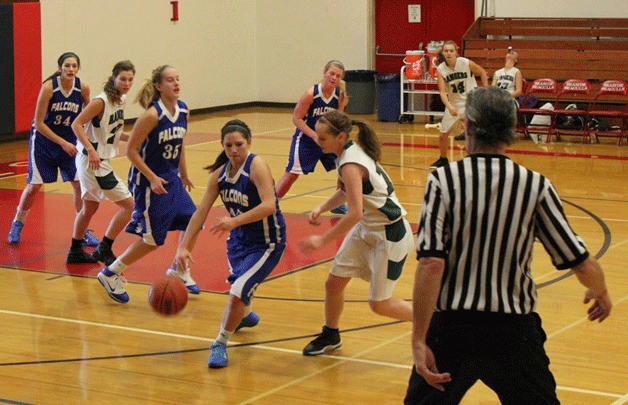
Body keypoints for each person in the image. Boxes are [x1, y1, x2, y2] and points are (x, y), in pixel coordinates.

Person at [404, 86, 612, 404]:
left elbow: (431, 262)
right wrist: (601, 292)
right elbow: (580, 261)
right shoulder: (535, 185)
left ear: (468, 126)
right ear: (511, 131)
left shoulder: (443, 181)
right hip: (513, 332)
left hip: (451, 331)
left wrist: (419, 338)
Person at [298, 110, 414, 356]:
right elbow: (346, 191)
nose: (318, 143)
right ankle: (331, 334)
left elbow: (354, 213)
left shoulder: (351, 162)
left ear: (340, 137)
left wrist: (321, 240)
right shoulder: (345, 154)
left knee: (380, 305)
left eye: (322, 139)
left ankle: (433, 324)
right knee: (334, 283)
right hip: (367, 230)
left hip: (389, 234)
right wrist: (321, 206)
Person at [175, 119, 286, 369]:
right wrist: (183, 247)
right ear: (222, 145)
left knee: (237, 291)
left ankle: (219, 342)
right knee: (240, 291)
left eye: (239, 144)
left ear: (249, 142)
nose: (234, 150)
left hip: (267, 242)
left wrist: (234, 221)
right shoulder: (220, 174)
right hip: (239, 242)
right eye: (228, 145)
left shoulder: (256, 165)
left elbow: (269, 205)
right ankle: (245, 316)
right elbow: (200, 212)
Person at [96, 65, 199, 303]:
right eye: (170, 80)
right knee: (152, 240)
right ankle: (111, 272)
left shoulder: (183, 110)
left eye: (178, 79)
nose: (176, 84)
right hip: (148, 182)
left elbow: (181, 144)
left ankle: (179, 267)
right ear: (158, 86)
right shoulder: (152, 115)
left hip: (171, 178)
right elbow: (131, 151)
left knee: (194, 220)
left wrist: (184, 173)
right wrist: (152, 178)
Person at [7, 52, 99, 247]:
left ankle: (82, 231)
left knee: (78, 185)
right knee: (33, 187)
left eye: (74, 66)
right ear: (60, 68)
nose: (71, 69)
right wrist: (62, 143)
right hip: (44, 142)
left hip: (70, 143)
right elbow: (39, 124)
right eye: (67, 66)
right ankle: (17, 222)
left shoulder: (83, 88)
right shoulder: (49, 88)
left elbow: (89, 116)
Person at [67, 60, 136, 265]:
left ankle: (75, 251)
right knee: (129, 206)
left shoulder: (120, 100)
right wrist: (90, 149)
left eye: (130, 79)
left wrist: (135, 139)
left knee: (89, 208)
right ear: (113, 78)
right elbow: (76, 124)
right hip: (93, 162)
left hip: (97, 160)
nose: (126, 83)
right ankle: (104, 247)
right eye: (122, 78)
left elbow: (112, 133)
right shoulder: (101, 101)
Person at [275, 60, 348, 214]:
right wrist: (314, 135)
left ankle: (337, 203)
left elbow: (339, 119)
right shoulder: (311, 94)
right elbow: (296, 118)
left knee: (344, 166)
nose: (334, 78)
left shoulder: (339, 95)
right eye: (332, 73)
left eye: (338, 76)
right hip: (307, 139)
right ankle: (271, 204)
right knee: (292, 174)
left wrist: (342, 106)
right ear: (325, 73)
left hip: (328, 140)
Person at [430, 41, 487, 168]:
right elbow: (442, 92)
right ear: (443, 53)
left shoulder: (465, 63)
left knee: (471, 133)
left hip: (470, 102)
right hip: (454, 104)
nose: (449, 53)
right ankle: (443, 159)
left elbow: (482, 72)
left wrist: (485, 91)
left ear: (456, 52)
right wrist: (449, 106)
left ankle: (474, 158)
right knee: (443, 135)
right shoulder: (441, 69)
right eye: (446, 51)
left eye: (451, 51)